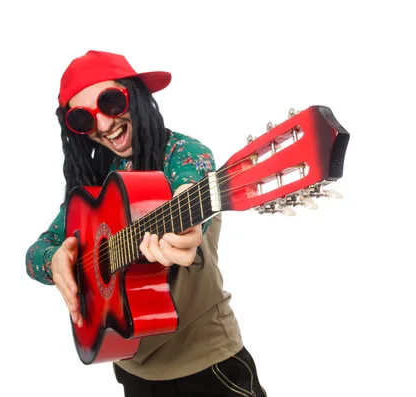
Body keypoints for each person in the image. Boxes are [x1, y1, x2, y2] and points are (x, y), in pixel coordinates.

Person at [25, 50, 268, 397]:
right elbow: (37, 250)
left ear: (135, 96)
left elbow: (190, 181)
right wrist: (54, 261)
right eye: (84, 119)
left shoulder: (183, 154)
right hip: (130, 368)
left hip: (209, 363)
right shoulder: (95, 185)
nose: (105, 126)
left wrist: (187, 218)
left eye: (110, 102)